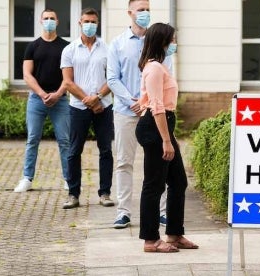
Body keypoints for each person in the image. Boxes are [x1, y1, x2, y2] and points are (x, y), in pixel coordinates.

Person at [136, 22, 198, 253]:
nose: (175, 43)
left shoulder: (160, 67)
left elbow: (153, 102)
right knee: (154, 185)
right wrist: (165, 139)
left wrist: (168, 135)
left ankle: (174, 233)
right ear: (162, 41)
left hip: (162, 125)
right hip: (155, 127)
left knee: (178, 181)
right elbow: (156, 106)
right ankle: (150, 239)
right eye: (172, 40)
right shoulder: (153, 68)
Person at [107, 0, 168, 229]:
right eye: (140, 9)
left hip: (153, 112)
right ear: (130, 13)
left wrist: (148, 103)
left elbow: (165, 74)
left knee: (158, 162)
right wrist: (129, 101)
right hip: (125, 111)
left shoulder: (158, 42)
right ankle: (123, 211)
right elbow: (112, 78)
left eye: (148, 10)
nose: (144, 13)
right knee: (124, 162)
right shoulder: (118, 44)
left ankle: (161, 211)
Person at [60, 8, 115, 209]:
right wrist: (88, 100)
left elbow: (112, 78)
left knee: (106, 150)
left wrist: (99, 97)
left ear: (97, 23)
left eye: (93, 21)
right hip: (78, 108)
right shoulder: (69, 50)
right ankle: (73, 194)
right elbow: (67, 82)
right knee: (74, 151)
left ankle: (105, 193)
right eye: (87, 21)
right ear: (79, 23)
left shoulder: (107, 49)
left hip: (104, 107)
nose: (90, 25)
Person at [14, 9, 70, 193]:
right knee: (32, 140)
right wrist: (42, 94)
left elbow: (69, 77)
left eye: (52, 18)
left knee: (64, 141)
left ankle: (69, 180)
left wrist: (57, 94)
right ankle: (27, 179)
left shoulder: (65, 46)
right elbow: (27, 75)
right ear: (40, 21)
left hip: (60, 100)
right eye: (46, 18)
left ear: (57, 21)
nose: (49, 21)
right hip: (36, 100)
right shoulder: (33, 46)